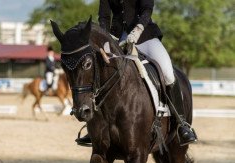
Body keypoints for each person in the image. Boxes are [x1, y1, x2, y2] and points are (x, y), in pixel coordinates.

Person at [76, 0, 197, 146]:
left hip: (145, 35)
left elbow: (147, 8)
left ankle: (181, 123)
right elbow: (104, 17)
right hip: (117, 39)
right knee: (102, 73)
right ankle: (97, 127)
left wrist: (138, 29)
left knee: (168, 73)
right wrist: (106, 40)